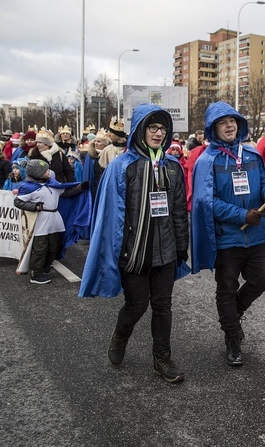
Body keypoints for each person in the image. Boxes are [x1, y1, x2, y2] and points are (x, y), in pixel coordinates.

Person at [79, 104, 189, 384]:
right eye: (152, 127)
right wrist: (115, 251)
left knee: (163, 305)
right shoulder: (121, 166)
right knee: (137, 305)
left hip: (164, 250)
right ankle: (120, 335)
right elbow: (109, 214)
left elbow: (178, 209)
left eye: (163, 128)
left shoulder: (173, 167)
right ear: (140, 129)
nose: (158, 132)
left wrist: (181, 245)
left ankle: (162, 358)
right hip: (133, 251)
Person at [191, 102, 265, 367]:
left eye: (233, 121)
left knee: (261, 280)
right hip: (227, 239)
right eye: (223, 122)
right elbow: (205, 202)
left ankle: (235, 312)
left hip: (256, 237)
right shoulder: (207, 160)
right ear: (213, 128)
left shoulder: (252, 154)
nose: (230, 126)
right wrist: (241, 216)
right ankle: (232, 340)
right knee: (226, 289)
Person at [13, 159, 89, 284]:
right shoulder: (28, 187)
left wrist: (81, 187)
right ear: (37, 173)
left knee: (54, 246)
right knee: (40, 248)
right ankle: (36, 273)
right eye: (45, 170)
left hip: (54, 219)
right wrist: (35, 206)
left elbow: (66, 192)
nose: (49, 172)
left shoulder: (53, 184)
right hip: (41, 221)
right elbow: (18, 201)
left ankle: (46, 267)